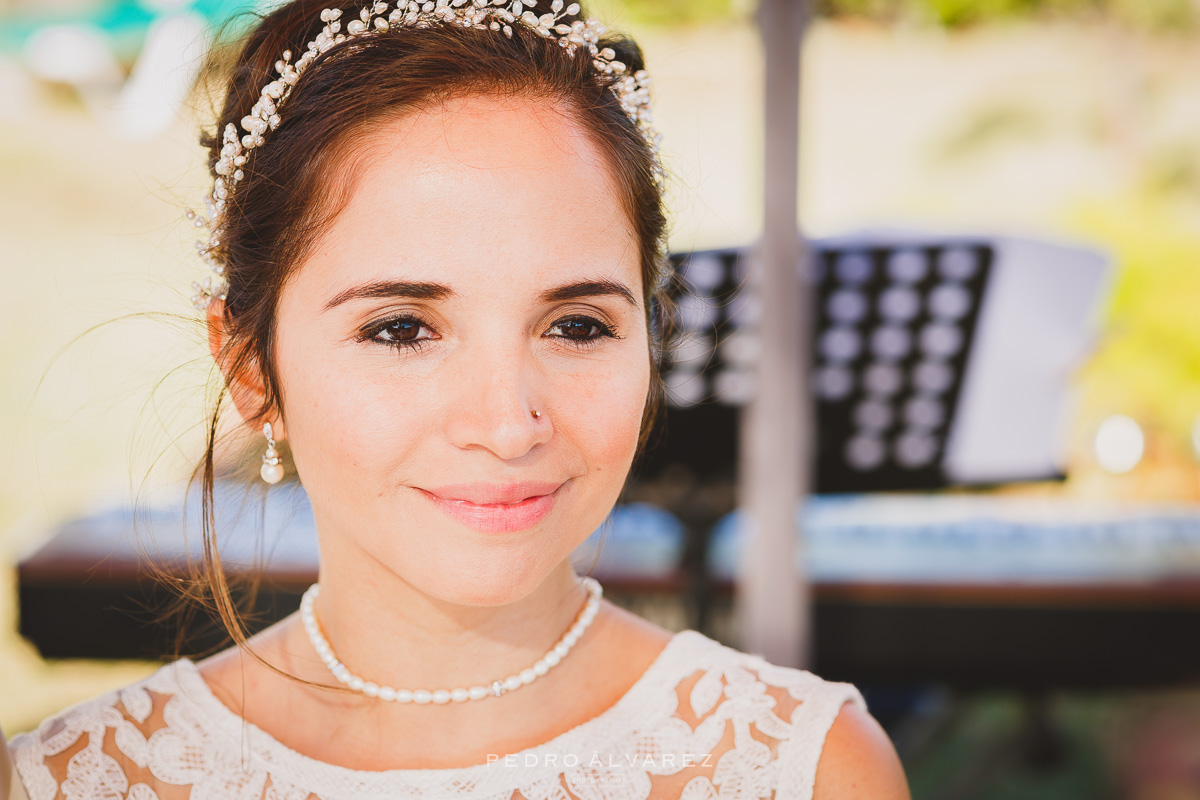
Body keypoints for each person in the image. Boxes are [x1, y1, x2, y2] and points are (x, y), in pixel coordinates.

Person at [4, 1, 910, 798]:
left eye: (578, 325)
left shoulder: (809, 771)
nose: (507, 423)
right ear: (251, 370)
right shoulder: (74, 781)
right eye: (401, 328)